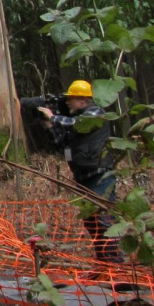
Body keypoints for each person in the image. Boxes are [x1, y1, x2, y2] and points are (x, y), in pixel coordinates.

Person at [26, 79, 123, 263]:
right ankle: (104, 265)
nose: (68, 102)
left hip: (100, 177)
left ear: (83, 100)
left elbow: (75, 123)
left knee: (104, 221)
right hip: (83, 178)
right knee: (92, 224)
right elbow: (62, 145)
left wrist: (53, 117)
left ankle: (116, 268)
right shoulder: (75, 124)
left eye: (71, 99)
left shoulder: (94, 114)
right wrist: (50, 127)